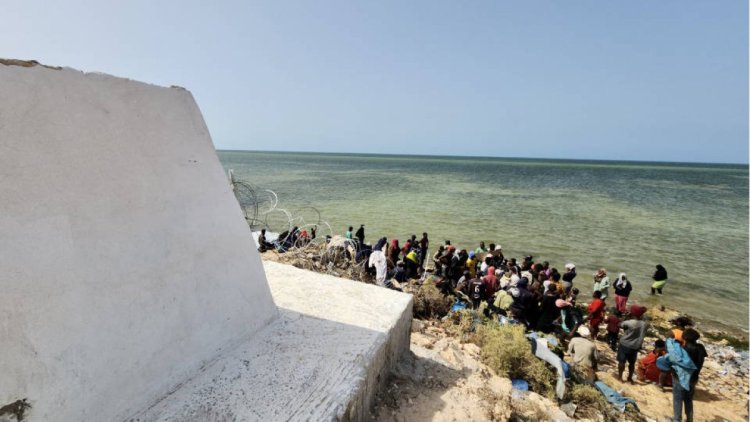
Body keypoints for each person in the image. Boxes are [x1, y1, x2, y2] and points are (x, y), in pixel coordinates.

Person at [617, 304, 649, 383]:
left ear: (632, 313)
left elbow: (620, 324)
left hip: (625, 344)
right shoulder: (644, 324)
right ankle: (630, 378)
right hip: (635, 346)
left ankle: (620, 377)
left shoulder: (629, 322)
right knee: (632, 363)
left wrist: (625, 317)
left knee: (622, 361)